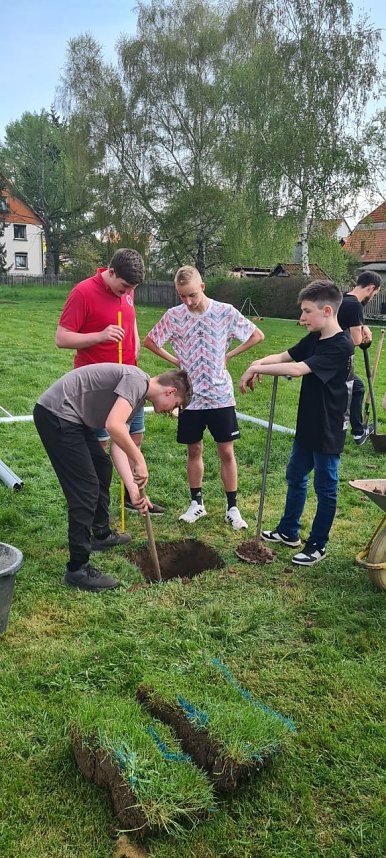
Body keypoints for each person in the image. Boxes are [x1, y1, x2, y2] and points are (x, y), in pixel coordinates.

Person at [33, 365, 192, 591]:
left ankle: (101, 535)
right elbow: (113, 425)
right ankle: (77, 569)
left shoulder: (137, 398)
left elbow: (118, 444)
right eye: (176, 405)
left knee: (102, 466)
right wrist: (138, 458)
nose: (171, 411)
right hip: (57, 414)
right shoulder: (136, 381)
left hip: (72, 420)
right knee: (85, 490)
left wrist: (134, 492)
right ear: (170, 391)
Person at [239, 280, 354, 566]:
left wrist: (257, 367)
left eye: (306, 312)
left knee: (325, 486)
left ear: (326, 310)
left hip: (329, 427)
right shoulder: (315, 338)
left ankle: (317, 544)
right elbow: (284, 356)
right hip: (308, 423)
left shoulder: (341, 344)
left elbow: (298, 369)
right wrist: (258, 363)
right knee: (295, 474)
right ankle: (289, 531)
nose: (301, 318)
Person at [144, 265, 264, 530]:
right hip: (190, 397)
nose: (187, 301)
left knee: (226, 451)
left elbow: (257, 335)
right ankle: (196, 503)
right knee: (194, 449)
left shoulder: (225, 312)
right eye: (181, 296)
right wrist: (174, 359)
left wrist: (229, 355)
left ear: (202, 287)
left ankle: (232, 508)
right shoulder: (174, 316)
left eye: (191, 295)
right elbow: (150, 341)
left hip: (220, 395)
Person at [55, 248, 164, 514]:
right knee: (101, 446)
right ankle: (96, 504)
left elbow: (131, 317)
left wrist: (135, 339)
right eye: (124, 287)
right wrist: (100, 335)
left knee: (132, 438)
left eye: (131, 289)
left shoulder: (127, 290)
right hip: (98, 388)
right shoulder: (83, 292)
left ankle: (132, 495)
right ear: (110, 271)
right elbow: (62, 338)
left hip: (130, 379)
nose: (126, 293)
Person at [337, 270, 381, 446]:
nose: (372, 296)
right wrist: (366, 339)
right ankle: (357, 432)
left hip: (326, 354)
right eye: (375, 293)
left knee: (353, 389)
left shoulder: (341, 298)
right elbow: (356, 340)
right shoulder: (355, 305)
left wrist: (363, 326)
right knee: (357, 388)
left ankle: (354, 430)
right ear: (370, 288)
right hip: (340, 358)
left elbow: (345, 324)